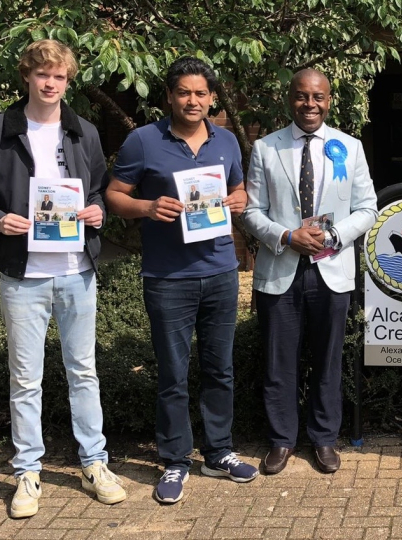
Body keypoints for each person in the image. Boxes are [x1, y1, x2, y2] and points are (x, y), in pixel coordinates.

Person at [106, 56, 257, 504]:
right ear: (170, 96)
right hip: (168, 276)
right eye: (184, 92)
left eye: (201, 93)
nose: (193, 101)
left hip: (221, 271)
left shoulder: (227, 140)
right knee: (173, 373)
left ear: (212, 98)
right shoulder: (142, 141)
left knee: (220, 369)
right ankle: (174, 459)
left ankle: (218, 452)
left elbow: (241, 187)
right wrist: (149, 208)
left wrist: (237, 199)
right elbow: (114, 196)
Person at [0, 39, 126, 519]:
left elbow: (95, 189)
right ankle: (27, 472)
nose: (50, 84)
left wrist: (96, 212)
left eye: (59, 76)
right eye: (42, 75)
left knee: (84, 372)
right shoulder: (4, 129)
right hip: (23, 272)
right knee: (25, 379)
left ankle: (94, 463)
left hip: (76, 271)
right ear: (27, 77)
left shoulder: (84, 131)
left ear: (67, 81)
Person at [242, 68, 378, 475]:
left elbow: (367, 208)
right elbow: (250, 212)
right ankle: (281, 441)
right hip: (279, 271)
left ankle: (323, 439)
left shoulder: (349, 147)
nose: (310, 105)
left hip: (332, 272)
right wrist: (286, 236)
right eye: (302, 97)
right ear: (290, 100)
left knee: (328, 361)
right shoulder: (266, 148)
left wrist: (334, 236)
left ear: (329, 100)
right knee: (278, 362)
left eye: (318, 97)